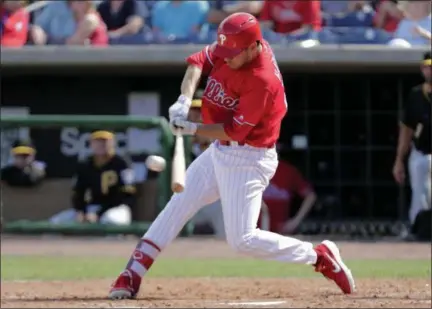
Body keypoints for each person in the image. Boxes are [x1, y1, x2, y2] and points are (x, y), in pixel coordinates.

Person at [109, 13, 355, 300]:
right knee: (178, 204)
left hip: (248, 159)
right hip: (219, 152)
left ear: (254, 47)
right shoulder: (233, 47)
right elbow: (197, 62)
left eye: (233, 54)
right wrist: (184, 99)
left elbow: (234, 132)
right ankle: (133, 272)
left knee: (242, 240)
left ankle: (318, 255)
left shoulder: (262, 80)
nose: (225, 59)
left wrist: (191, 128)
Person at [50, 130, 135, 225]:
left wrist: (98, 213)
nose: (101, 144)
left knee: (111, 221)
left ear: (113, 143)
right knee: (55, 222)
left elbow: (126, 194)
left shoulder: (121, 163)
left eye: (105, 141)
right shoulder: (85, 164)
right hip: (92, 207)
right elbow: (78, 192)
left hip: (117, 208)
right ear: (91, 144)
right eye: (97, 141)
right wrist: (82, 211)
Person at [393, 52, 431, 238]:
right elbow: (407, 129)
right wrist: (399, 160)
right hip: (422, 152)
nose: (430, 70)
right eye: (427, 66)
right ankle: (417, 232)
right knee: (419, 195)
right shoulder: (416, 94)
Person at [261, 159, 317, 235]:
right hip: (253, 233)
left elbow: (310, 196)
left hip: (281, 233)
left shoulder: (288, 170)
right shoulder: (249, 171)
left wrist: (295, 221)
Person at [30, 0, 108, 46]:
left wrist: (49, 40)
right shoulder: (79, 20)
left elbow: (72, 43)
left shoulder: (90, 19)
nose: (73, 5)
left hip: (97, 64)